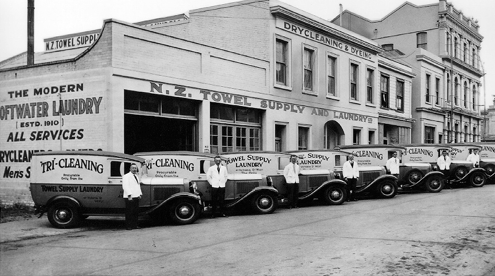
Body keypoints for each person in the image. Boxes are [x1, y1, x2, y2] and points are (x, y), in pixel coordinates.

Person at [122, 163, 143, 230]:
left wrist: (139, 194)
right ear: (130, 169)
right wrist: (129, 195)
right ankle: (128, 226)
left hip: (136, 196)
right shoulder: (126, 176)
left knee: (135, 212)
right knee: (129, 212)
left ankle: (135, 225)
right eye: (133, 168)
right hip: (129, 197)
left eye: (135, 168)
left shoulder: (136, 176)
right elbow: (125, 186)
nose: (134, 169)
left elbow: (138, 186)